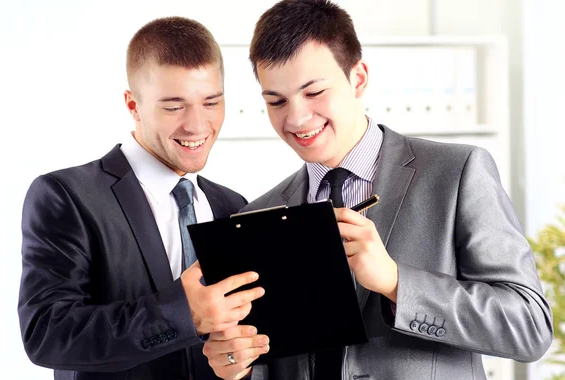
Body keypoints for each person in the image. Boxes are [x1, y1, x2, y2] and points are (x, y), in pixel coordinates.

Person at [202, 1, 553, 379]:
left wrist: (396, 282)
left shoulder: (457, 173)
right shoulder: (257, 215)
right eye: (276, 101)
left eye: (314, 92)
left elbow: (529, 329)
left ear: (359, 79)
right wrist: (235, 365)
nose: (296, 118)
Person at [18, 17, 266, 380]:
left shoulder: (232, 206)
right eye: (174, 106)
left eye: (211, 102)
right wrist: (183, 313)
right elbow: (46, 334)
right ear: (132, 105)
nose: (198, 125)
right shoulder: (66, 196)